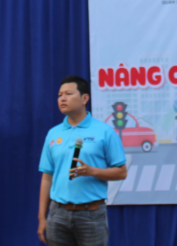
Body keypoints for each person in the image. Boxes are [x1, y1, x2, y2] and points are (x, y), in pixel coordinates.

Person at [37, 75, 127, 246]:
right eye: (60, 95)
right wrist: (42, 218)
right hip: (58, 214)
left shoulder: (104, 131)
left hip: (91, 215)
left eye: (68, 94)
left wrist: (92, 171)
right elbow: (47, 178)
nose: (62, 98)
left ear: (85, 98)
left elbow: (121, 172)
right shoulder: (53, 134)